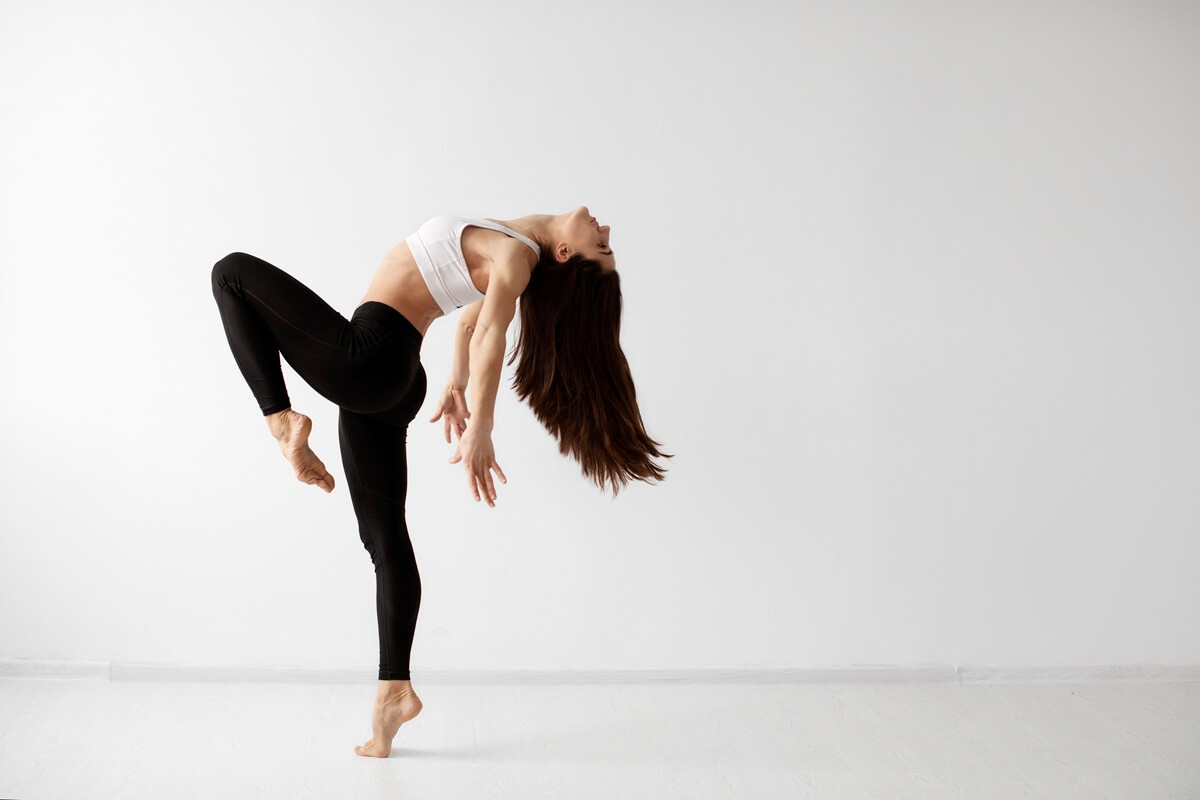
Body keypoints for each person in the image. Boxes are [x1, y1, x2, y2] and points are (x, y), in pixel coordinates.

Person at [210, 205, 671, 758]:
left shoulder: (516, 255)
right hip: (396, 375)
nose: (606, 229)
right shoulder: (515, 248)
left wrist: (481, 426)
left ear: (567, 253)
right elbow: (472, 322)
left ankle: (281, 420)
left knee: (230, 273)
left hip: (371, 356)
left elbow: (492, 334)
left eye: (602, 245)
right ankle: (393, 692)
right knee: (384, 542)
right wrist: (455, 382)